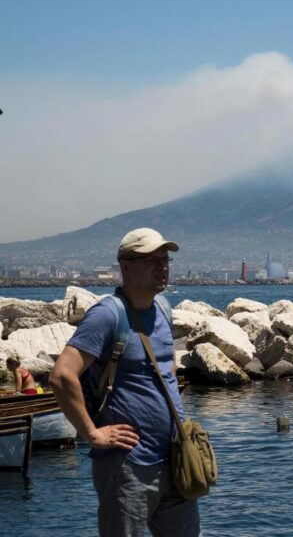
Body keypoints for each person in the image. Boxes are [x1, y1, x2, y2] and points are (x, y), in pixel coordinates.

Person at [49, 228, 200, 537]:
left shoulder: (163, 309)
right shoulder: (107, 316)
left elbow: (166, 366)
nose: (162, 267)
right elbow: (62, 375)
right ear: (125, 265)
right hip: (128, 465)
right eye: (151, 260)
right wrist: (92, 433)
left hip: (175, 457)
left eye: (165, 259)